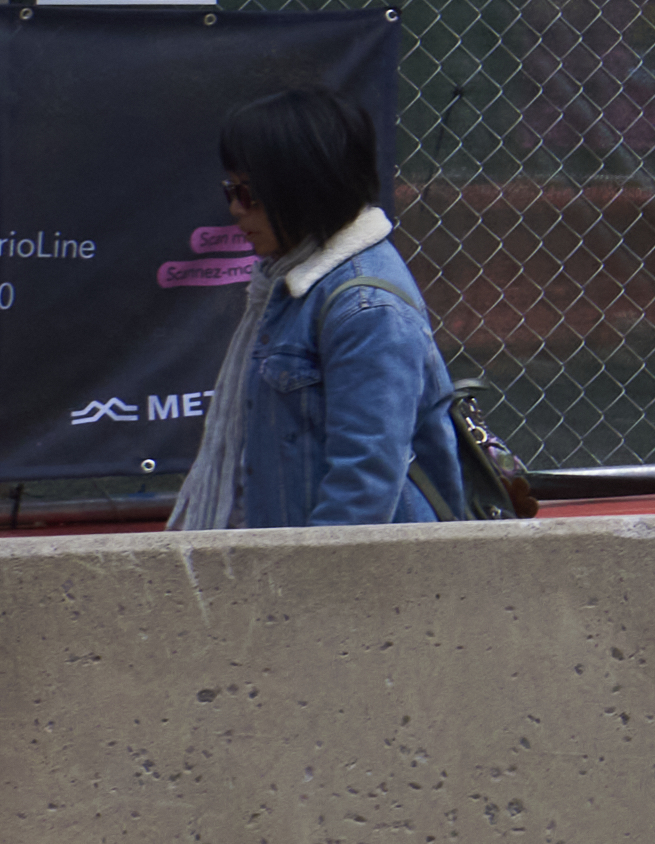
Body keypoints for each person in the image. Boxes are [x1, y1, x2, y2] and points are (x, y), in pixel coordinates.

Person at [167, 80, 462, 530]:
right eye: (230, 190)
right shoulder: (287, 282)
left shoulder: (367, 309)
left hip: (341, 586)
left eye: (249, 193)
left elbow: (363, 488)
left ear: (305, 187)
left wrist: (306, 593)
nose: (236, 210)